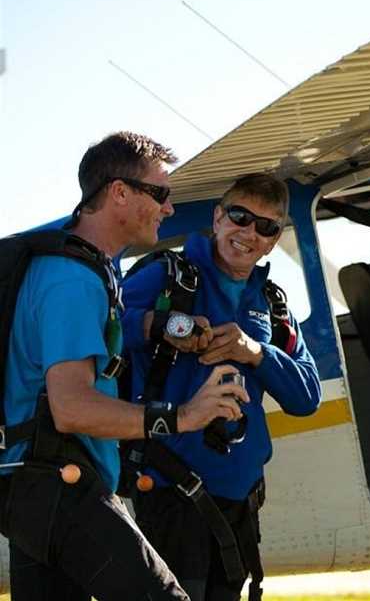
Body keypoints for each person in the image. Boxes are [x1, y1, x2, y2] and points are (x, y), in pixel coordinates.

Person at [0, 132, 249, 601]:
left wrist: (160, 325)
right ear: (119, 193)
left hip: (33, 491)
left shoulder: (73, 269)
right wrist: (184, 417)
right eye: (160, 193)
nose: (168, 208)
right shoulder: (72, 279)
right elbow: (71, 408)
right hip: (62, 488)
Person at [121, 173, 322, 601]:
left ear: (273, 240)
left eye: (266, 227)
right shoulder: (167, 276)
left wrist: (257, 352)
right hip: (169, 496)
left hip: (239, 505)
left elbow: (307, 397)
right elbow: (94, 325)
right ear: (217, 218)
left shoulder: (272, 304)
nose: (249, 233)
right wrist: (168, 325)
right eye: (239, 217)